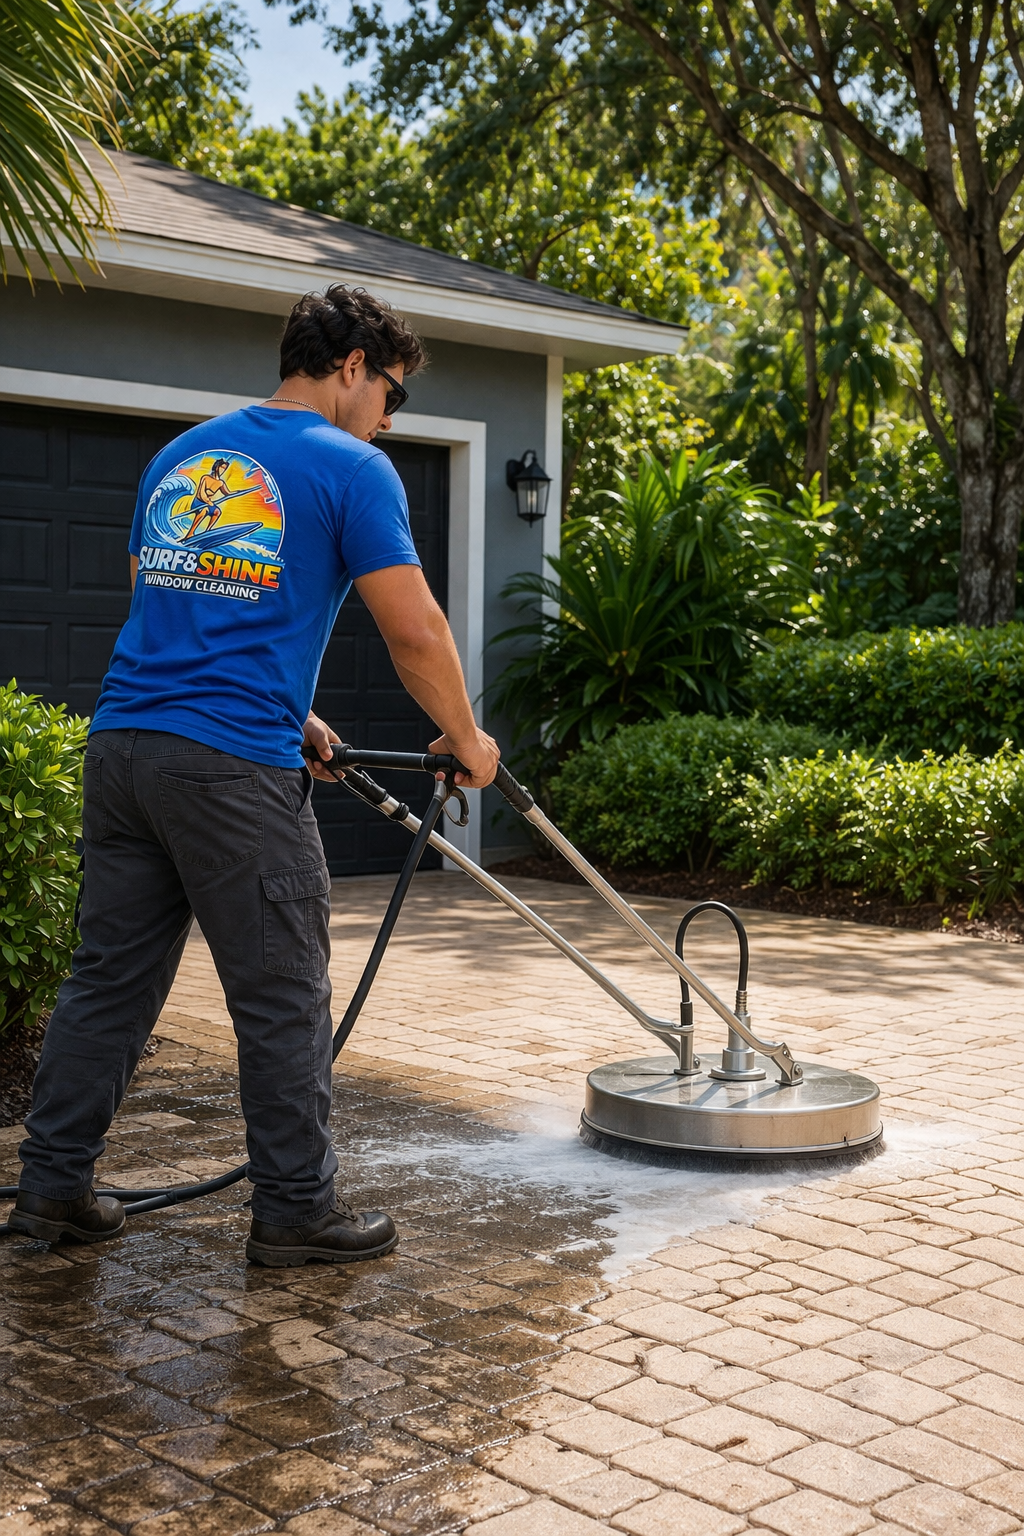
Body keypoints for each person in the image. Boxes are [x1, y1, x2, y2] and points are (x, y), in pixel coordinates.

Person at [11, 284, 500, 1266]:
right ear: (353, 365)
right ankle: (295, 1212)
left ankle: (51, 1194)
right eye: (392, 392)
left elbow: (192, 619)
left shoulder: (180, 458)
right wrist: (467, 738)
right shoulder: (352, 468)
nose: (391, 418)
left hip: (125, 750)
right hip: (228, 772)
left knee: (106, 984)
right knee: (279, 991)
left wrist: (299, 715)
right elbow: (414, 633)